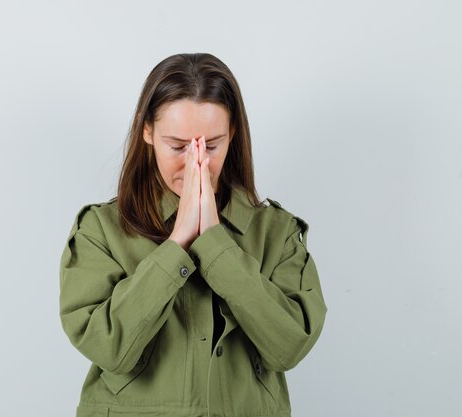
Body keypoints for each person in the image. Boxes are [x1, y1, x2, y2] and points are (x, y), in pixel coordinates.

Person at [59, 52, 327, 417]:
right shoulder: (100, 230)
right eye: (177, 145)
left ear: (233, 134)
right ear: (147, 131)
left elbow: (289, 347)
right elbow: (108, 349)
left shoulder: (276, 232)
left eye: (211, 145)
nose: (195, 162)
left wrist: (215, 243)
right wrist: (176, 245)